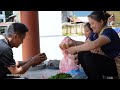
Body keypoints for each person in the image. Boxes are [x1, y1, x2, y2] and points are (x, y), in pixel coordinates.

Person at [65, 11, 120, 79]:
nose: (91, 26)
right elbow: (86, 45)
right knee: (82, 53)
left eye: (92, 23)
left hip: (115, 65)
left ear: (101, 22)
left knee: (88, 56)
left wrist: (74, 49)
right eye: (90, 24)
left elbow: (94, 44)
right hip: (107, 63)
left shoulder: (108, 32)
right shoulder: (95, 34)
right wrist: (72, 41)